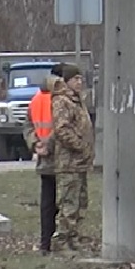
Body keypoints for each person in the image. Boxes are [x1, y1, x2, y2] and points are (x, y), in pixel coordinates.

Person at [51, 63, 95, 251]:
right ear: (67, 81)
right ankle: (61, 241)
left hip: (81, 163)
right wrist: (80, 146)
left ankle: (74, 236)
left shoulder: (78, 100)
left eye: (80, 79)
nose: (79, 82)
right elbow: (62, 129)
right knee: (68, 203)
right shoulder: (62, 101)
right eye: (76, 79)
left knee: (80, 203)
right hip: (69, 162)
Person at [22, 72, 58, 253]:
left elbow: (28, 125)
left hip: (43, 159)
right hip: (59, 158)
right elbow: (62, 126)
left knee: (47, 204)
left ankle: (45, 243)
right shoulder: (59, 102)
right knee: (63, 204)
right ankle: (57, 241)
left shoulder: (35, 100)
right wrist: (47, 145)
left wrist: (35, 143)